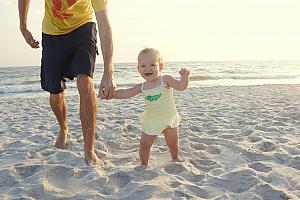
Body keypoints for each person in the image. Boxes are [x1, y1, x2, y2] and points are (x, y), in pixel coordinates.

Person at [18, 0, 116, 165]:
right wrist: (23, 26)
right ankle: (63, 128)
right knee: (55, 92)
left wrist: (108, 72)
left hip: (83, 28)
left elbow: (105, 27)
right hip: (52, 33)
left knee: (85, 83)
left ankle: (89, 150)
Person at [107, 48, 190, 170]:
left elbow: (181, 87)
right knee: (144, 144)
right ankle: (143, 163)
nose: (147, 68)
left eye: (152, 64)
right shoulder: (142, 86)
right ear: (138, 69)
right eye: (143, 65)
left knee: (173, 144)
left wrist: (184, 78)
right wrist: (111, 94)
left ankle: (175, 158)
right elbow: (127, 93)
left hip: (169, 119)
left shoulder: (165, 80)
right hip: (152, 120)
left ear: (160, 66)